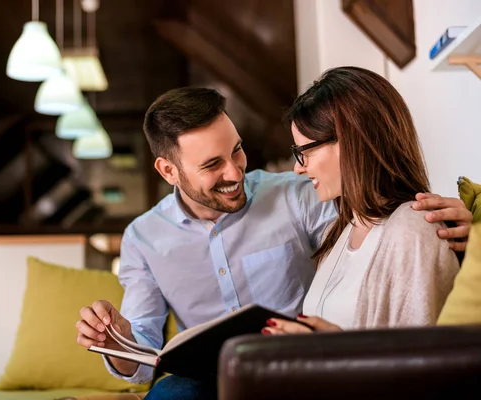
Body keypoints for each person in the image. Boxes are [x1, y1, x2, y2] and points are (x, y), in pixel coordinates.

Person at [76, 86, 472, 400]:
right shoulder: (144, 238)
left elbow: (376, 217)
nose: (235, 171)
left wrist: (473, 235)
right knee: (171, 393)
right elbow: (141, 359)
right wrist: (115, 340)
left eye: (236, 150)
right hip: (207, 377)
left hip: (291, 364)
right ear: (169, 170)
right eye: (212, 165)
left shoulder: (297, 196)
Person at [263, 66, 460, 336]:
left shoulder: (411, 231)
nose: (298, 168)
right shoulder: (341, 232)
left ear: (349, 141)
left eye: (304, 152)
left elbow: (420, 367)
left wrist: (332, 352)